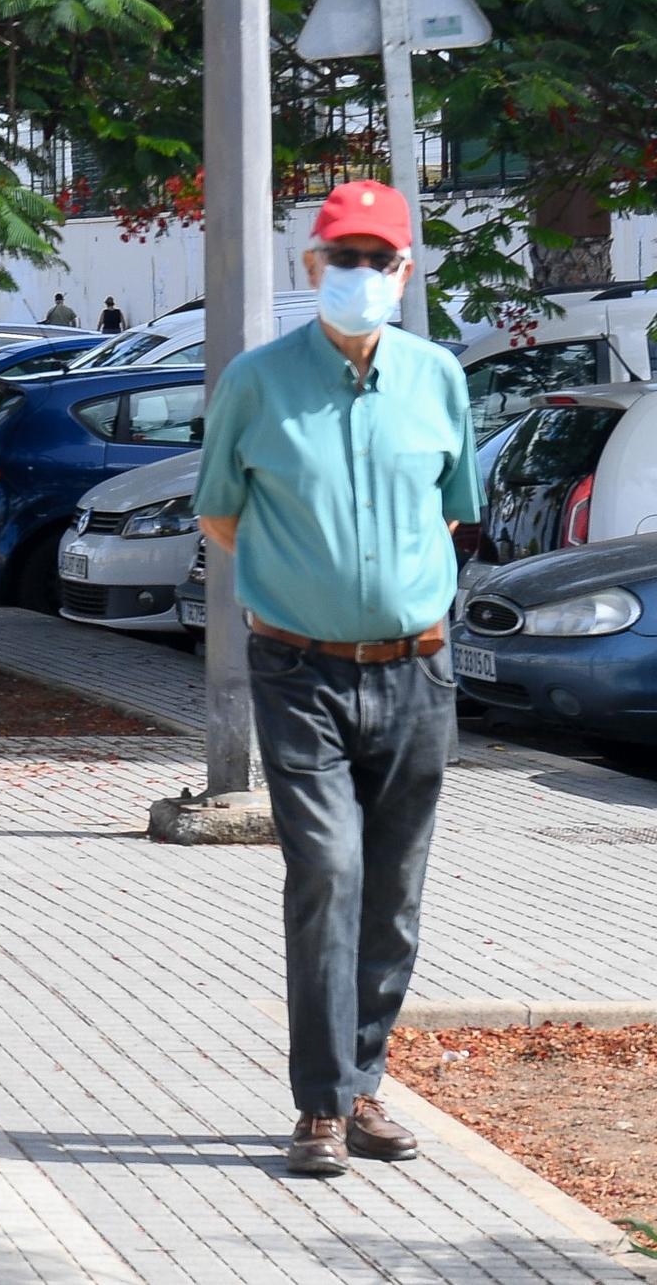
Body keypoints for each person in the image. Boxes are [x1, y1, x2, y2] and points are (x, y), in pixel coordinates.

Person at [192, 180, 480, 1178]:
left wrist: (394, 598)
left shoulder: (437, 378)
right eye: (341, 258)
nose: (359, 275)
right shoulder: (254, 382)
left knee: (392, 892)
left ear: (403, 272)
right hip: (298, 670)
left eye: (378, 259)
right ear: (310, 268)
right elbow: (220, 514)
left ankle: (365, 1085)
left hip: (415, 674)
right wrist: (298, 595)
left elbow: (449, 510)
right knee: (327, 872)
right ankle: (318, 1103)